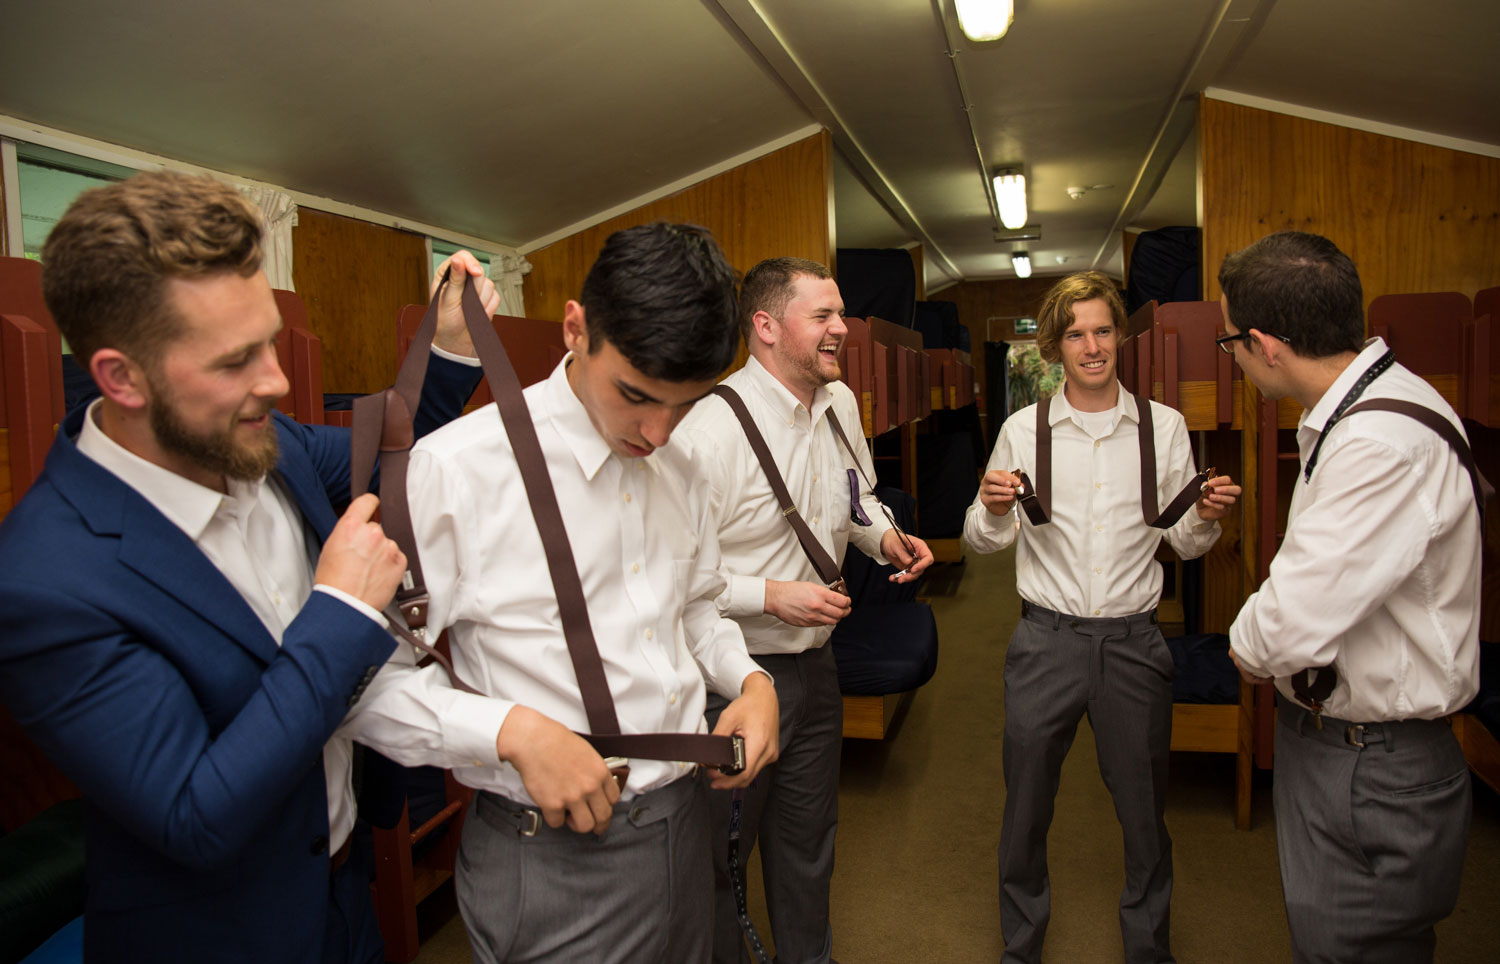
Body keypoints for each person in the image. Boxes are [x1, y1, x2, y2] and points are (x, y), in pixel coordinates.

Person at [0, 170, 495, 963]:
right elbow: (197, 813)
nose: (277, 379)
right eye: (236, 360)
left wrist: (448, 351)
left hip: (343, 897)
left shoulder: (267, 444)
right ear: (121, 377)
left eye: (269, 339)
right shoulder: (43, 583)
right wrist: (341, 611)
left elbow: (390, 460)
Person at [343, 222, 780, 964]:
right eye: (637, 395)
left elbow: (697, 606)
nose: (659, 433)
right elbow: (361, 686)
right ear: (575, 328)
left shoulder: (681, 466)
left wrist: (751, 679)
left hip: (686, 825)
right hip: (552, 860)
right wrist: (510, 731)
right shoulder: (458, 470)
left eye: (686, 405)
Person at [963, 270, 1239, 964]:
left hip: (1134, 644)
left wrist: (1204, 519)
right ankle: (1021, 946)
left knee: (1145, 815)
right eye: (1077, 334)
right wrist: (993, 509)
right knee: (1025, 809)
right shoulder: (1022, 431)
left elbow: (1182, 540)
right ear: (1054, 347)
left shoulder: (1163, 427)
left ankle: (1150, 949)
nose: (1092, 346)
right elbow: (978, 538)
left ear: (1121, 336)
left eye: (1103, 330)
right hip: (1044, 642)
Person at [1221, 231, 1481, 964]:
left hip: (1372, 764)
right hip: (1350, 746)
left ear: (1267, 344)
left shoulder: (1378, 443)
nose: (1232, 358)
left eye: (1231, 341)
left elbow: (1282, 625)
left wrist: (1246, 644)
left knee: (1351, 949)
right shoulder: (1372, 406)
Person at [675, 257, 934, 964]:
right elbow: (674, 579)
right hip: (730, 684)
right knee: (719, 865)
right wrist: (770, 596)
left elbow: (855, 501)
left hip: (818, 672)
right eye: (822, 315)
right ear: (764, 326)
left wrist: (885, 537)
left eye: (839, 313)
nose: (841, 329)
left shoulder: (841, 403)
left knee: (808, 846)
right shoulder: (708, 431)